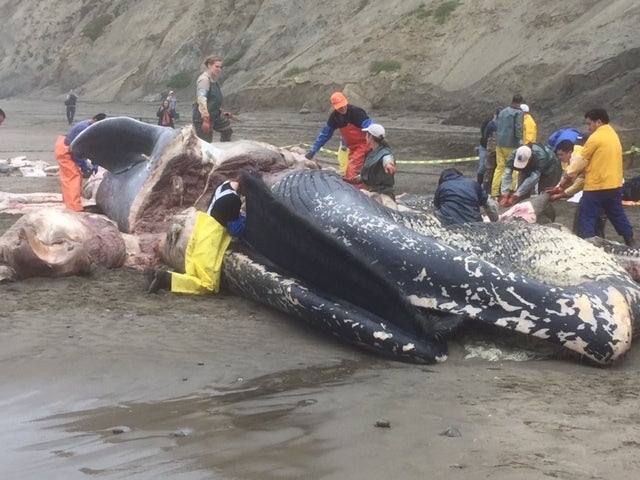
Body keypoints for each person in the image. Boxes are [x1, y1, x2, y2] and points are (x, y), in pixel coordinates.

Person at [548, 108, 635, 246]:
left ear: (598, 122)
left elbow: (580, 162)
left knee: (586, 215)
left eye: (589, 124)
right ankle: (630, 242)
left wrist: (563, 184)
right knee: (617, 214)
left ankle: (588, 244)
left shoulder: (595, 138)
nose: (588, 128)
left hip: (597, 186)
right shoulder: (613, 135)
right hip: (615, 185)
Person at [144, 178, 246, 294]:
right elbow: (235, 230)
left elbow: (223, 212)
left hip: (200, 231)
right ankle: (166, 279)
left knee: (193, 274)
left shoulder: (224, 185)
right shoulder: (234, 199)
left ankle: (153, 274)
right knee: (207, 284)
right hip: (211, 239)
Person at [305, 92, 373, 185]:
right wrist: (313, 150)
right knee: (353, 170)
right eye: (339, 107)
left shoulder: (357, 112)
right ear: (334, 107)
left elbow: (371, 127)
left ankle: (358, 193)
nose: (342, 108)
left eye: (343, 105)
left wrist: (378, 141)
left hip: (364, 144)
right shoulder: (334, 118)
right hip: (352, 148)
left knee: (352, 170)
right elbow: (325, 134)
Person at [553, 133, 607, 237]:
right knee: (585, 214)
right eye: (558, 155)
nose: (560, 158)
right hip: (593, 187)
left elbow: (580, 182)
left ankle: (594, 239)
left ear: (569, 152)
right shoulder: (568, 159)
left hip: (602, 188)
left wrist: (562, 194)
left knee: (592, 215)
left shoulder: (580, 158)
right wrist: (557, 188)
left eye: (561, 155)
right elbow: (566, 176)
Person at [54, 113, 106, 211]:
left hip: (71, 149)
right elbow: (75, 150)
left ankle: (70, 203)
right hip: (65, 151)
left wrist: (95, 162)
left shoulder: (92, 128)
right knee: (73, 177)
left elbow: (91, 147)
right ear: (94, 119)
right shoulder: (82, 129)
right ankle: (73, 207)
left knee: (74, 177)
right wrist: (83, 165)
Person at [434, 167, 498, 225]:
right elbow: (489, 204)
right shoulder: (473, 184)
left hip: (448, 220)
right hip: (473, 221)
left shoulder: (442, 186)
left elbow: (436, 206)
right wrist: (495, 222)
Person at [193, 55, 233, 142]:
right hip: (202, 117)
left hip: (215, 115)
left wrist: (221, 111)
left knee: (227, 129)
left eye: (220, 67)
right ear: (209, 66)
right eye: (217, 67)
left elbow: (213, 99)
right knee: (206, 142)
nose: (219, 69)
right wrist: (205, 120)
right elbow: (201, 99)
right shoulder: (204, 80)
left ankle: (223, 150)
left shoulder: (213, 80)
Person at [354, 123, 396, 205]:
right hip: (372, 191)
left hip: (383, 195)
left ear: (370, 137)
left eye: (366, 135)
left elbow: (387, 158)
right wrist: (356, 179)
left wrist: (388, 165)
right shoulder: (371, 153)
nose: (365, 137)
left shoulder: (385, 152)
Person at [491, 94, 524, 197]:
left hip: (499, 143)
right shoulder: (518, 113)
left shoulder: (503, 112)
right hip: (511, 144)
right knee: (514, 167)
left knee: (500, 167)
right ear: (520, 102)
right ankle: (511, 191)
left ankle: (494, 192)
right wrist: (520, 141)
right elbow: (518, 128)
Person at [481, 110, 499, 194]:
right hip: (501, 149)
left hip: (491, 149)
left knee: (489, 169)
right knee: (499, 169)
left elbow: (485, 135)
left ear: (495, 115)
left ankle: (486, 190)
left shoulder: (491, 123)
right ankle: (497, 190)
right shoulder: (506, 124)